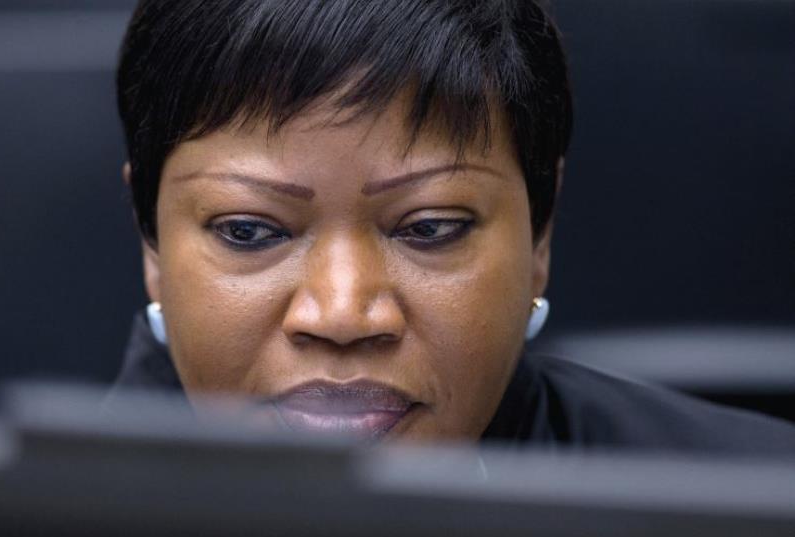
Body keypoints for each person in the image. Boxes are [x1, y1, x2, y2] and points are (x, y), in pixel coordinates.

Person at [109, 0, 795, 452]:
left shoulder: (754, 497)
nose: (343, 313)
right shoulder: (13, 517)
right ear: (152, 243)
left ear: (540, 233)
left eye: (429, 227)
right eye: (251, 231)